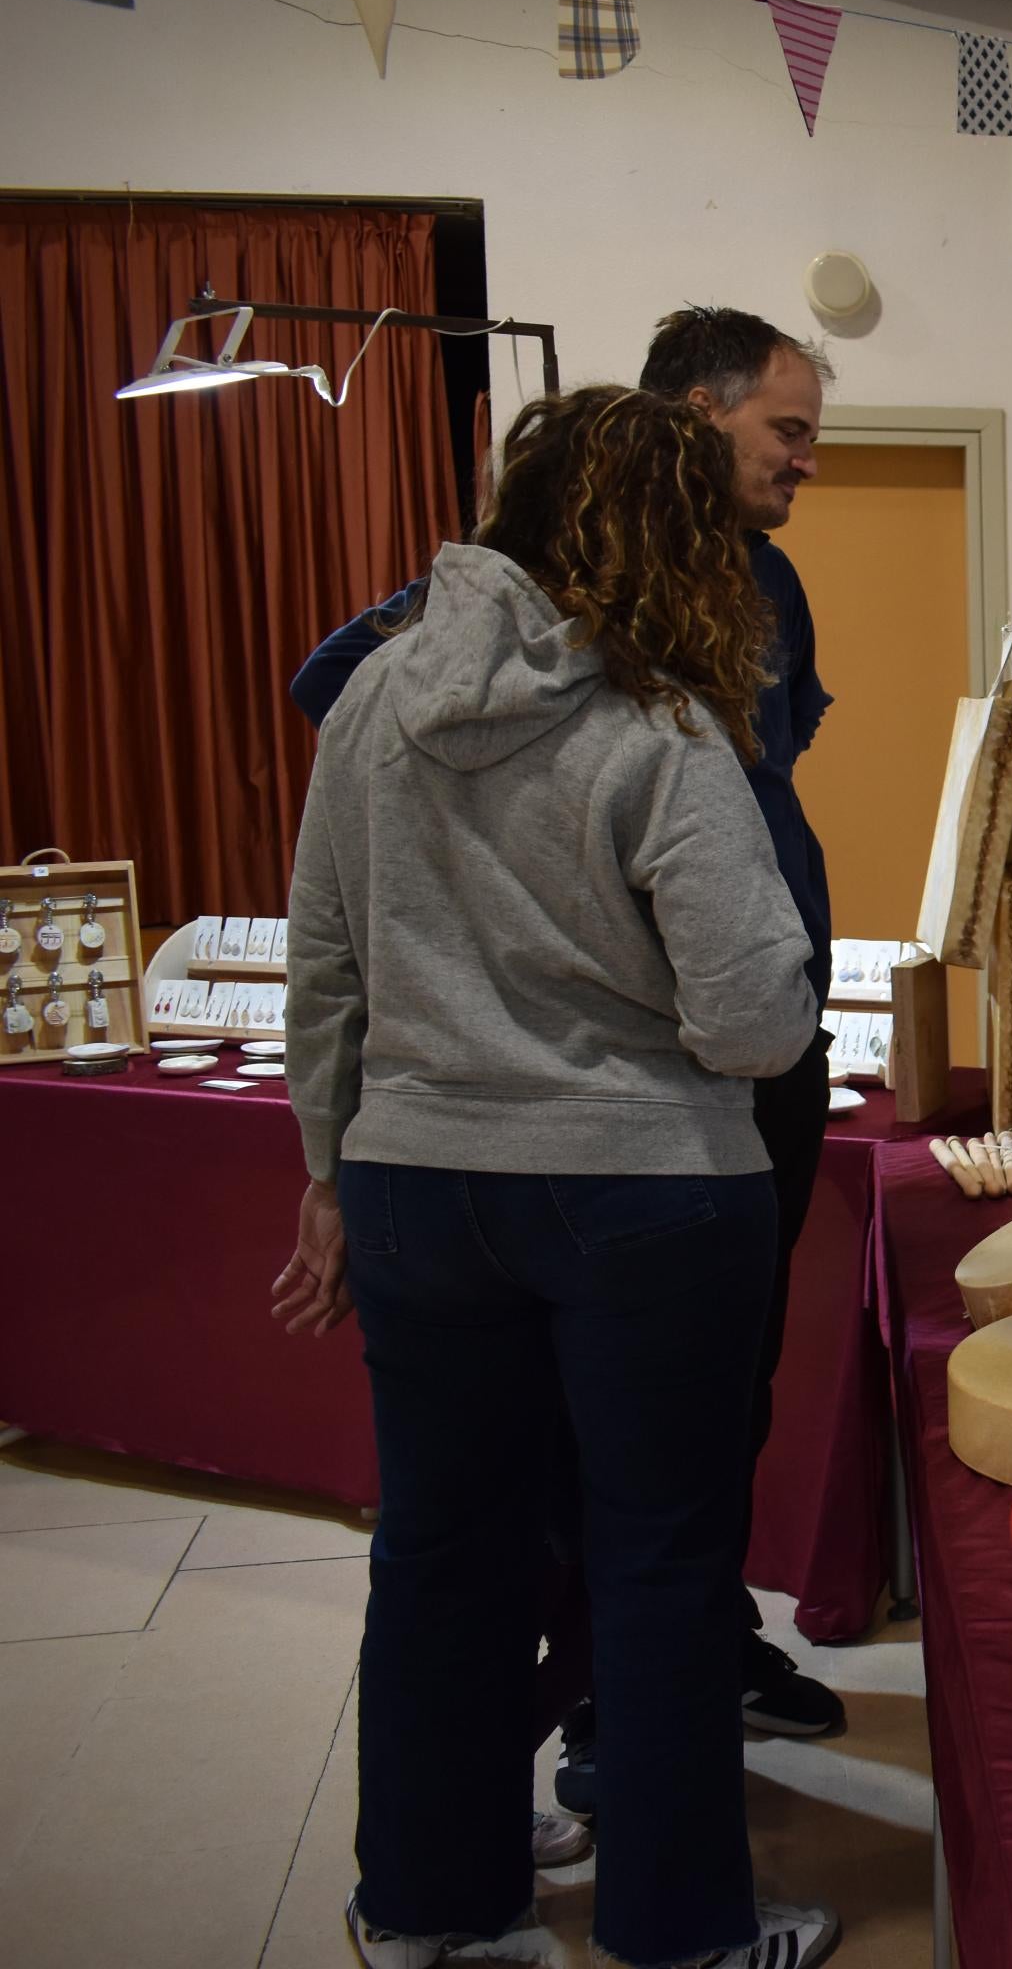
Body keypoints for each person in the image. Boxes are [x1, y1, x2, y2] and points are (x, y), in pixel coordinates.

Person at [275, 387, 837, 1968]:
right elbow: (750, 1022)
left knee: (442, 1556)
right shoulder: (660, 724)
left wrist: (332, 1162)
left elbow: (324, 963)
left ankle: (433, 1914)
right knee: (658, 1565)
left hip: (414, 1182)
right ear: (671, 534)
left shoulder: (377, 699)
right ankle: (682, 1938)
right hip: (642, 1190)